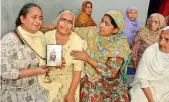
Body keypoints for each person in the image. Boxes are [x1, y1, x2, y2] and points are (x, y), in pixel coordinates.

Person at [72, 10, 131, 102]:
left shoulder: (120, 45)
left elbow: (110, 72)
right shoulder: (93, 32)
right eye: (102, 21)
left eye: (106, 24)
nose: (101, 25)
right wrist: (53, 26)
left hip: (112, 84)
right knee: (89, 96)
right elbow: (74, 30)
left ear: (115, 30)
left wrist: (87, 58)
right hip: (93, 79)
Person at [0, 3, 49, 102]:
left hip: (37, 87)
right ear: (22, 19)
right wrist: (35, 71)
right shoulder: (9, 40)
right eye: (34, 17)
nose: (38, 21)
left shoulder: (40, 37)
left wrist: (56, 62)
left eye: (40, 18)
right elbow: (4, 72)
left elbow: (44, 59)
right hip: (15, 92)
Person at [38, 10, 85, 102]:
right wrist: (50, 63)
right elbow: (40, 59)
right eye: (63, 20)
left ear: (73, 26)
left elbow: (77, 71)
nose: (66, 24)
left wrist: (71, 94)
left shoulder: (76, 41)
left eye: (70, 22)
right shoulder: (48, 36)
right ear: (57, 21)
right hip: (48, 77)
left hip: (68, 79)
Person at [130, 26, 169, 102]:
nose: (161, 42)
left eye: (167, 40)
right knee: (138, 97)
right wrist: (151, 100)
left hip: (166, 90)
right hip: (147, 87)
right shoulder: (151, 50)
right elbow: (143, 78)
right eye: (160, 38)